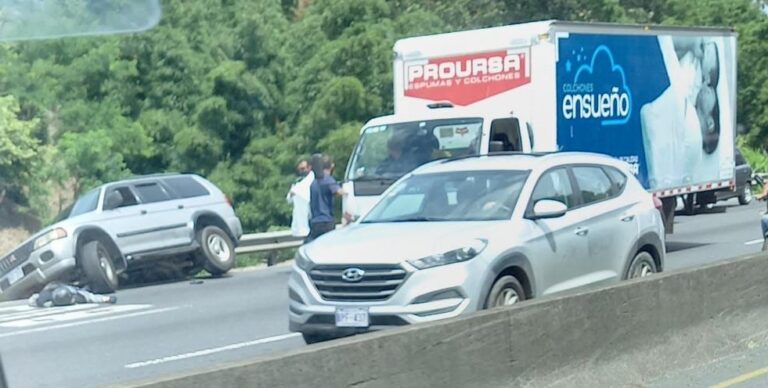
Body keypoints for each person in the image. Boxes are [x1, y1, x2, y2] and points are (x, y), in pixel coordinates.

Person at [306, 154, 346, 243]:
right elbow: (340, 192)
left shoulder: (313, 183)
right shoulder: (328, 180)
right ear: (332, 166)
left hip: (315, 222)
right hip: (326, 222)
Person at [28, 281, 116, 307]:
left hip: (68, 286)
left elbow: (91, 297)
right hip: (53, 287)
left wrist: (107, 299)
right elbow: (32, 301)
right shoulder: (44, 298)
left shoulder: (76, 293)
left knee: (86, 289)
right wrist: (107, 299)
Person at [286, 158, 314, 238]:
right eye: (300, 169)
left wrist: (297, 191)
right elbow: (289, 199)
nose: (302, 171)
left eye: (303, 168)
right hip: (300, 218)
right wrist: (293, 193)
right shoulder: (297, 181)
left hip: (311, 216)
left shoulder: (312, 180)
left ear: (309, 168)